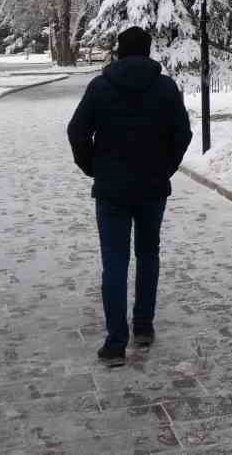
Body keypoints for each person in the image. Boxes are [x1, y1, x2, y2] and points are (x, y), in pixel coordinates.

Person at [67, 26, 191, 365]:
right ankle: (144, 326)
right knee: (149, 255)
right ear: (149, 52)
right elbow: (183, 133)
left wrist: (93, 167)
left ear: (120, 51)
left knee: (115, 262)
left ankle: (115, 343)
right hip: (152, 188)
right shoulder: (165, 88)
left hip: (111, 191)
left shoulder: (100, 87)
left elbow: (77, 131)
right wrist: (165, 167)